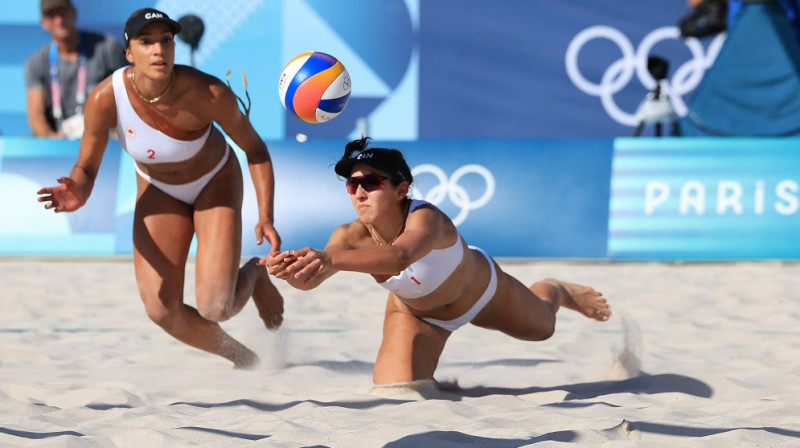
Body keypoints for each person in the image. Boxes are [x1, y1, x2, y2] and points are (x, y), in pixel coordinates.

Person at [36, 8, 283, 369]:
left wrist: (265, 216)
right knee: (161, 309)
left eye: (165, 41)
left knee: (217, 307)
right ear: (128, 53)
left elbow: (256, 150)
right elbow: (86, 166)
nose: (158, 50)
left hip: (215, 181)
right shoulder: (105, 99)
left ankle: (256, 274)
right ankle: (244, 359)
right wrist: (79, 189)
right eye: (146, 41)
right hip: (160, 190)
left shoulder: (208, 92)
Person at [263, 137, 611, 385]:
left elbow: (400, 256)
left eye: (372, 181)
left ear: (401, 190)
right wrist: (292, 271)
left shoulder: (426, 218)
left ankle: (556, 289)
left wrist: (329, 258)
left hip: (483, 294)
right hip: (416, 315)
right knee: (396, 395)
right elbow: (312, 280)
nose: (360, 191)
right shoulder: (347, 236)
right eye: (352, 185)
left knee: (543, 328)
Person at [25, 0, 128, 138]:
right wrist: (51, 138)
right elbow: (36, 118)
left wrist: (120, 134)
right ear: (44, 22)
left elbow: (129, 98)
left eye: (63, 13)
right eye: (52, 16)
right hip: (63, 141)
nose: (59, 20)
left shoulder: (107, 47)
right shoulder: (36, 62)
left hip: (105, 139)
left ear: (73, 13)